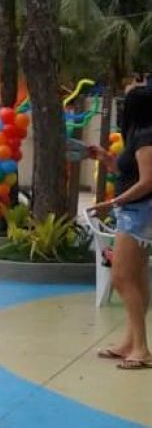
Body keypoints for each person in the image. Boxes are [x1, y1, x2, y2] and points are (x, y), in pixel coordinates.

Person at [88, 84, 152, 370]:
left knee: (122, 277)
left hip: (139, 213)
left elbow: (148, 182)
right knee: (135, 278)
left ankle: (141, 349)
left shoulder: (146, 137)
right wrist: (105, 158)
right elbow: (130, 173)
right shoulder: (138, 136)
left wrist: (113, 202)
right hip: (134, 211)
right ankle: (131, 342)